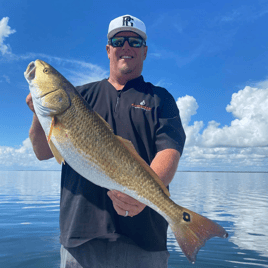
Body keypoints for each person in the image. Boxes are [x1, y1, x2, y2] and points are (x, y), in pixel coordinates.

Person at [26, 15, 186, 268]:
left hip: (145, 237)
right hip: (81, 236)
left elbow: (170, 149)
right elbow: (43, 152)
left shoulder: (160, 98)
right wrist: (39, 112)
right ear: (108, 49)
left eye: (134, 42)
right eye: (118, 40)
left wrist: (143, 197)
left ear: (144, 52)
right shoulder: (79, 95)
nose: (126, 46)